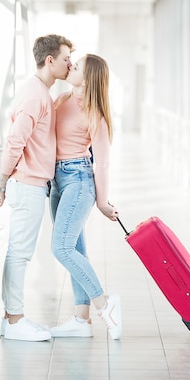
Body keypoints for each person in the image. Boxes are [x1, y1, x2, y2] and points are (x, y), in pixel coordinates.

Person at [0, 34, 73, 341]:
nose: (70, 65)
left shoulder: (41, 93)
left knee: (20, 251)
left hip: (33, 183)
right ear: (49, 60)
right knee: (19, 253)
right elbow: (15, 141)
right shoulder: (35, 96)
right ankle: (13, 321)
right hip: (26, 184)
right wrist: (0, 183)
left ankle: (13, 317)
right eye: (66, 59)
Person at [48, 54, 122, 340]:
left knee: (61, 248)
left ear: (89, 78)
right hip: (57, 181)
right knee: (75, 251)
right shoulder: (61, 99)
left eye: (77, 66)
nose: (71, 66)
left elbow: (101, 161)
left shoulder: (95, 114)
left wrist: (102, 202)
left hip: (78, 181)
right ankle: (81, 319)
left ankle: (104, 303)